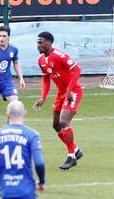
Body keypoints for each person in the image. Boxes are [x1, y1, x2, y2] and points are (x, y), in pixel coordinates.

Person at [34, 31, 85, 171]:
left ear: (49, 43)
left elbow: (77, 70)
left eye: (41, 42)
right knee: (56, 125)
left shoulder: (59, 55)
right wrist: (43, 98)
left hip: (72, 91)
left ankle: (71, 156)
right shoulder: (41, 60)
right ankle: (75, 149)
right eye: (37, 42)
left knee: (63, 122)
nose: (38, 45)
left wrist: (69, 89)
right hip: (61, 93)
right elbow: (46, 79)